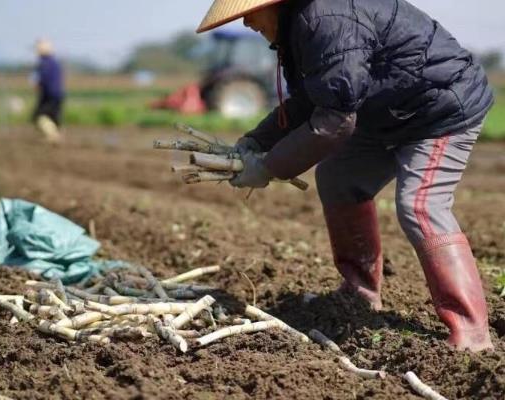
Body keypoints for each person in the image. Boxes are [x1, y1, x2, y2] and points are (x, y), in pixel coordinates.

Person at [197, 0, 494, 352]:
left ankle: (472, 332)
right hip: (387, 111)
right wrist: (256, 141)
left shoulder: (325, 19)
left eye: (248, 12)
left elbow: (335, 122)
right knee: (339, 177)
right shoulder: (299, 27)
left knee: (420, 205)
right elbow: (313, 99)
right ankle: (360, 294)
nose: (246, 23)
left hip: (439, 110)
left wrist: (268, 167)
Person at [32, 39, 64, 143]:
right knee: (53, 117)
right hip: (58, 94)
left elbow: (41, 80)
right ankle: (55, 135)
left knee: (39, 116)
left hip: (49, 94)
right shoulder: (54, 62)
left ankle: (54, 136)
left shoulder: (44, 63)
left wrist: (37, 85)